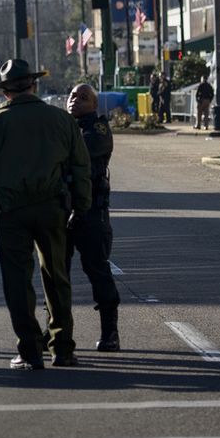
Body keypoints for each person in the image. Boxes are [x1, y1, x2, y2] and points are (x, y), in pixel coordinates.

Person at [0, 59, 90, 371]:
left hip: (11, 213)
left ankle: (30, 350)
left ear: (5, 91)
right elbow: (80, 166)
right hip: (52, 209)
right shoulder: (61, 120)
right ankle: (62, 348)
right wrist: (82, 206)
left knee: (17, 282)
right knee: (57, 278)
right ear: (33, 84)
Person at [65, 84, 121, 351]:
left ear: (94, 105)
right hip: (61, 212)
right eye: (73, 95)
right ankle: (56, 331)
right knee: (55, 273)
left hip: (91, 213)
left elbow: (75, 153)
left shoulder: (97, 129)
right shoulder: (65, 127)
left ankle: (110, 332)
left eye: (83, 97)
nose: (75, 100)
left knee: (98, 271)